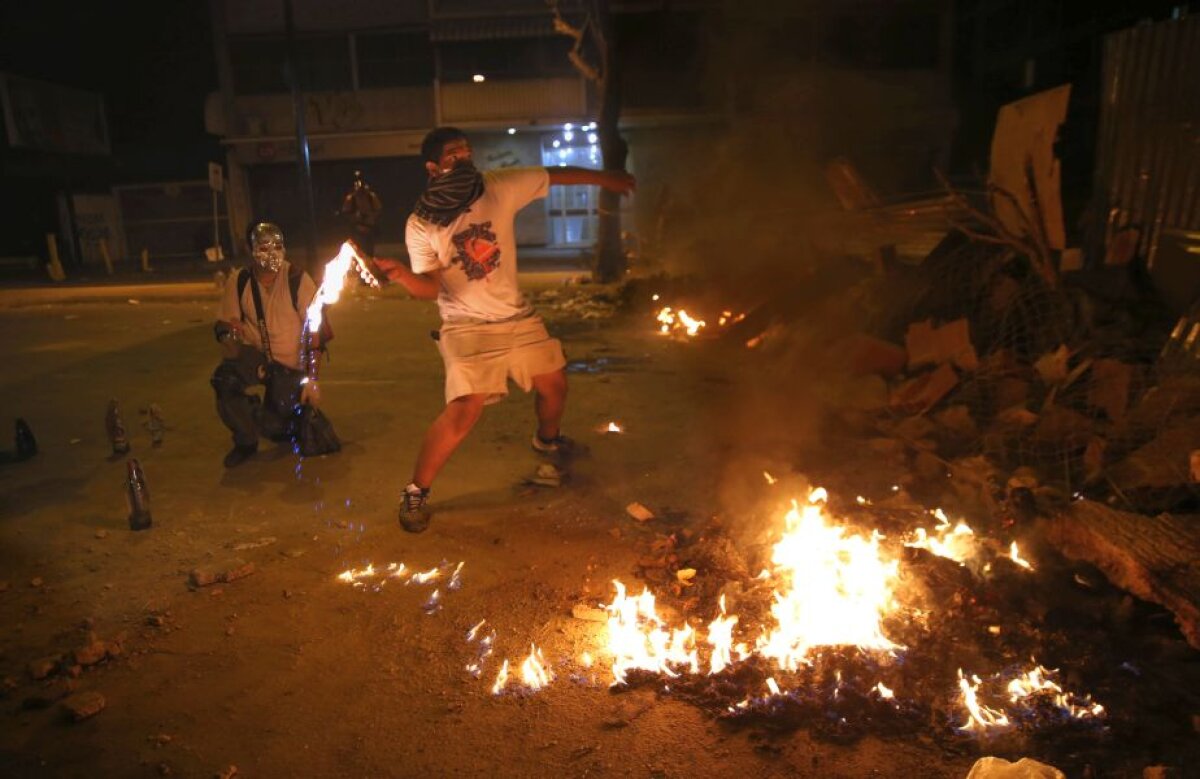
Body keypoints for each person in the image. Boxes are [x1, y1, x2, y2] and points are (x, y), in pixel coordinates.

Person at [374, 126, 635, 532]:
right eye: (452, 155)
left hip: (517, 317)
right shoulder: (421, 223)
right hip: (465, 326)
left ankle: (547, 441)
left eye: (466, 151)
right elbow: (429, 290)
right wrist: (402, 276)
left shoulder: (496, 187)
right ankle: (415, 492)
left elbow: (553, 173)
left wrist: (604, 179)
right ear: (432, 167)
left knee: (555, 385)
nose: (463, 158)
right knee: (464, 411)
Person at [211, 222, 331, 467]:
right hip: (257, 357)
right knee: (225, 379)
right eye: (264, 247)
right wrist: (228, 335)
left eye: (277, 246)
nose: (272, 254)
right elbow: (225, 325)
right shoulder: (240, 280)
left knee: (278, 429)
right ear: (251, 249)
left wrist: (312, 380)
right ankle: (245, 441)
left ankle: (276, 415)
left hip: (290, 367)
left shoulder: (297, 279)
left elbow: (315, 333)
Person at [339, 170, 383, 258]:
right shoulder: (351, 198)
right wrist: (356, 217)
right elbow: (345, 212)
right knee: (357, 252)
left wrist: (370, 218)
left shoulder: (371, 197)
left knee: (369, 251)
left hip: (369, 229)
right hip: (357, 230)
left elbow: (378, 209)